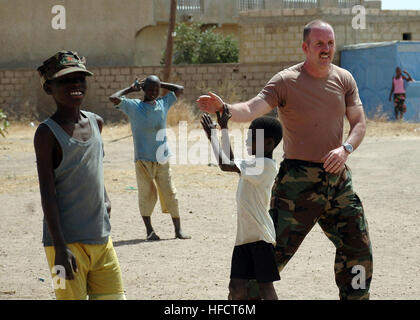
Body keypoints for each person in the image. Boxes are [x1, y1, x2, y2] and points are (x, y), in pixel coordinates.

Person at [197, 20, 373, 300]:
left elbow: (359, 123)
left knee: (358, 249)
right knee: (269, 253)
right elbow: (253, 107)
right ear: (305, 47)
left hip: (338, 179)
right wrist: (225, 109)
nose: (326, 49)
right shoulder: (285, 81)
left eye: (330, 43)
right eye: (319, 44)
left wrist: (345, 149)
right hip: (297, 185)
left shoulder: (344, 79)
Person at [34, 51, 125, 300]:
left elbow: (94, 167)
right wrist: (60, 248)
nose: (75, 85)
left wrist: (105, 199)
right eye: (65, 80)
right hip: (65, 245)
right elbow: (47, 193)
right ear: (49, 88)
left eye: (80, 79)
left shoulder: (96, 122)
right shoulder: (47, 133)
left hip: (101, 239)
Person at [201, 105, 282, 300]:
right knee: (236, 289)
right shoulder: (254, 163)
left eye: (252, 138)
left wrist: (213, 135)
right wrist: (224, 129)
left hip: (260, 237)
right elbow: (230, 159)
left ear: (269, 143)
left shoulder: (265, 166)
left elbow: (224, 164)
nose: (247, 140)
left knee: (265, 289)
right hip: (245, 237)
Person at [109, 75, 191, 240]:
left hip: (162, 158)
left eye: (157, 89)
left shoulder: (163, 103)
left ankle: (178, 230)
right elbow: (114, 98)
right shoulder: (134, 106)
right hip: (143, 160)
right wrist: (131, 88)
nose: (154, 92)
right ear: (144, 90)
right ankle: (150, 231)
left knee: (170, 193)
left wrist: (160, 82)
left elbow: (179, 89)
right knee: (146, 195)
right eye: (150, 89)